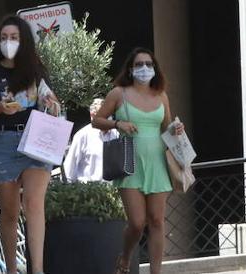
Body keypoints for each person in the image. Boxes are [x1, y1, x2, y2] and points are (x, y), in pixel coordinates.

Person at [0, 16, 61, 274]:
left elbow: (51, 101)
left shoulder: (35, 70)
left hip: (35, 139)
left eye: (13, 37)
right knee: (9, 212)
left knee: (34, 205)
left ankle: (38, 269)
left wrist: (51, 103)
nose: (8, 42)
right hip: (3, 140)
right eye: (4, 37)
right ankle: (12, 269)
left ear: (23, 41)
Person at [92, 48, 185, 274]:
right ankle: (125, 257)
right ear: (131, 69)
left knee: (156, 221)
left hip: (157, 163)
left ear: (155, 68)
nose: (144, 68)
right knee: (136, 222)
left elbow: (167, 127)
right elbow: (97, 121)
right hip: (129, 163)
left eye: (149, 64)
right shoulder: (119, 94)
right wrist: (118, 124)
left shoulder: (161, 95)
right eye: (139, 64)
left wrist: (177, 129)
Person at [63, 98, 118, 182]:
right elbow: (69, 169)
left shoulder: (117, 134)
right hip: (90, 190)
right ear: (93, 115)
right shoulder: (82, 136)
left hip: (114, 189)